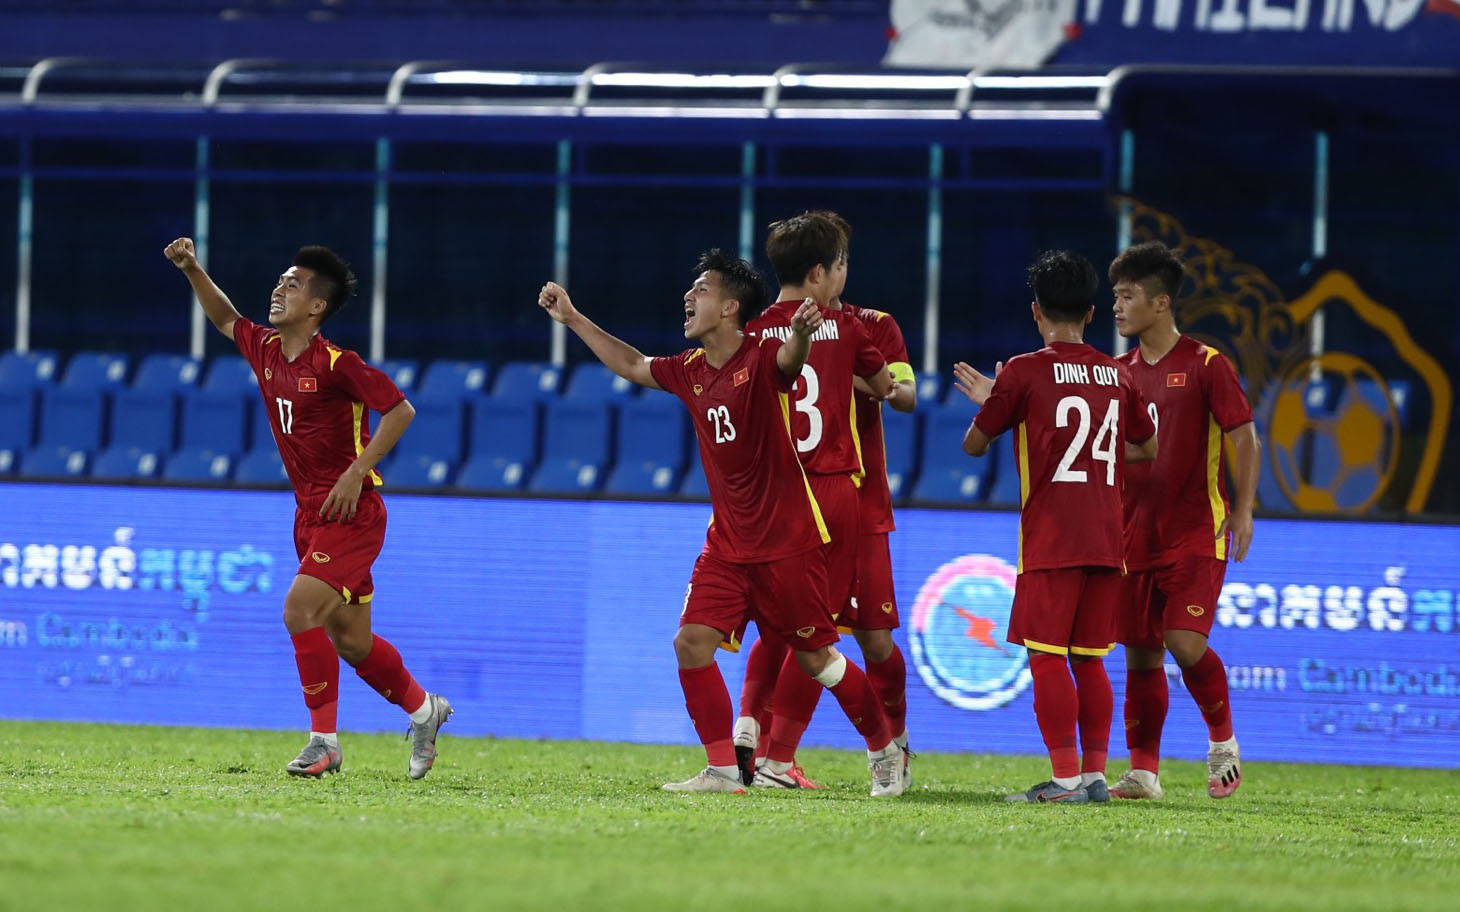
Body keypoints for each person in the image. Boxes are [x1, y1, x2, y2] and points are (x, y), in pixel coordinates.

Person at [537, 250, 906, 796]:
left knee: (818, 660)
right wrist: (573, 319)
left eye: (702, 289)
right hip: (728, 545)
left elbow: (789, 362)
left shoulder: (761, 358)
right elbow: (635, 365)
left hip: (787, 544)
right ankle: (724, 770)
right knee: (691, 642)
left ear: (730, 307)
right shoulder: (689, 370)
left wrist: (802, 335)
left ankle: (884, 752)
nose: (690, 297)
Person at [163, 238, 452, 780]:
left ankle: (324, 743)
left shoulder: (340, 364)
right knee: (352, 640)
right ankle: (423, 710)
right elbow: (226, 318)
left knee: (298, 610)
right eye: (280, 280)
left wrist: (355, 471)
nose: (279, 289)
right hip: (309, 515)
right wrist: (193, 268)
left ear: (317, 306)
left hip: (352, 512)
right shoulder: (267, 349)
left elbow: (400, 410)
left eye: (292, 284)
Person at [953, 249, 1157, 804]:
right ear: (1091, 313)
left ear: (1036, 311)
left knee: (1046, 655)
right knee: (1089, 659)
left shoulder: (1023, 371)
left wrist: (995, 404)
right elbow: (1147, 446)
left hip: (1051, 538)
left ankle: (1064, 779)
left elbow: (973, 446)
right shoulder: (1116, 374)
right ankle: (1093, 777)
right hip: (1107, 538)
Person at [731, 212, 894, 790]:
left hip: (768, 492)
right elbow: (891, 391)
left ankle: (748, 724)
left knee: (778, 624)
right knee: (817, 630)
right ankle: (779, 759)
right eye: (843, 264)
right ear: (822, 272)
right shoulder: (849, 328)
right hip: (829, 485)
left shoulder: (752, 331)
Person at [1106, 241, 1259, 800]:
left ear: (1161, 302)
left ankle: (1223, 745)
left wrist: (1242, 509)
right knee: (1141, 653)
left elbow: (1244, 435)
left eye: (1127, 297)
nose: (1118, 307)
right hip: (1131, 535)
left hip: (1197, 531)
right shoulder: (1117, 373)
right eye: (1115, 297)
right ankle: (1144, 773)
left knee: (1183, 642)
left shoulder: (1206, 365)